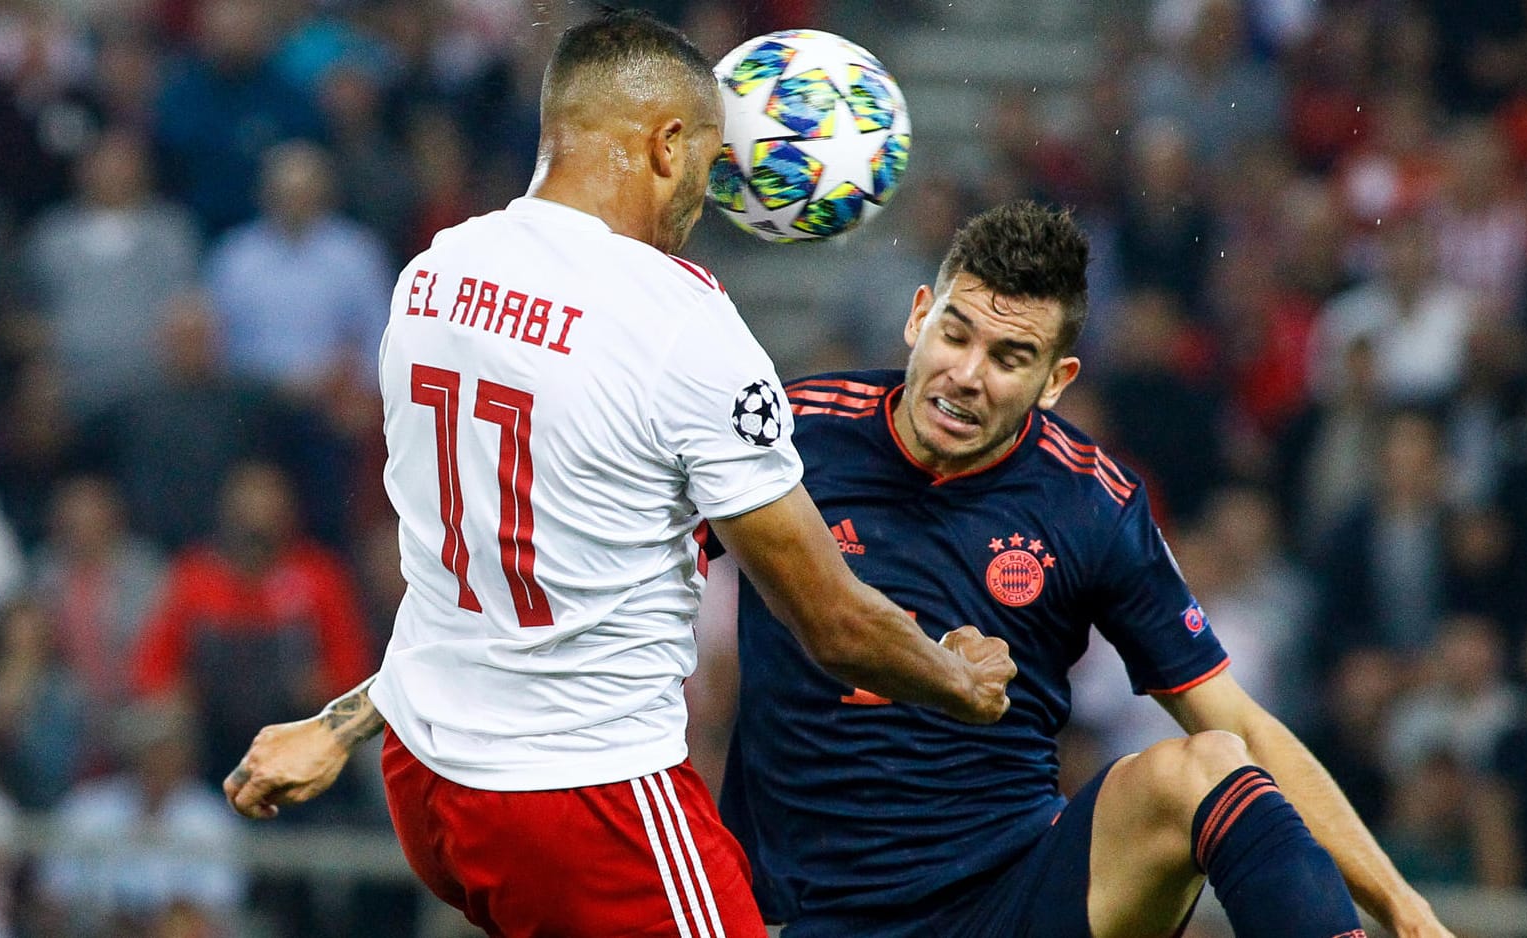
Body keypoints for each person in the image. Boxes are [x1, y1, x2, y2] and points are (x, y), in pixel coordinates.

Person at [223, 11, 1015, 938]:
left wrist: (344, 720)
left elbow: (461, 571)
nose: (714, 192)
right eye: (714, 160)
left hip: (429, 788)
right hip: (582, 803)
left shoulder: (434, 275)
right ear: (667, 143)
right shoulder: (678, 324)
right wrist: (956, 681)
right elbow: (832, 622)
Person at [694, 202, 1453, 938]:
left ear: (1055, 382)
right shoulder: (791, 437)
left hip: (1016, 890)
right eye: (954, 335)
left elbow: (1241, 720)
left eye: (1008, 358)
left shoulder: (1091, 502)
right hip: (819, 909)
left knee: (1210, 763)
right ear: (917, 315)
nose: (966, 374)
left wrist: (1402, 905)